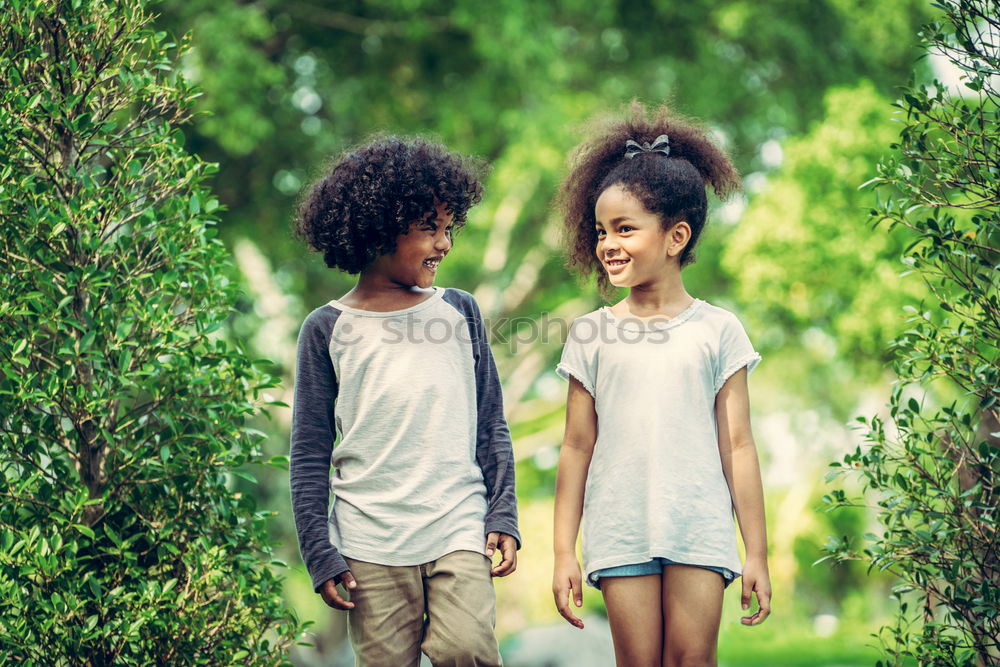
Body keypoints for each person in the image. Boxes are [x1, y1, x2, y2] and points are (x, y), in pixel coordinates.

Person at [551, 104, 772, 666]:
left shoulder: (719, 329)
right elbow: (576, 447)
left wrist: (758, 554)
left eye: (625, 229)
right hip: (619, 526)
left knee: (692, 661)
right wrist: (562, 553)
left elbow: (738, 446)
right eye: (601, 230)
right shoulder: (590, 333)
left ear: (675, 236)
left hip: (698, 523)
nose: (607, 244)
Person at [290, 136, 520, 667]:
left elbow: (491, 425)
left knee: (468, 649)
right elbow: (309, 454)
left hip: (456, 524)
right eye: (429, 229)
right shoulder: (327, 328)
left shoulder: (459, 312)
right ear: (378, 228)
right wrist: (319, 552)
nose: (444, 244)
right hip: (368, 540)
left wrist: (502, 514)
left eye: (448, 228)